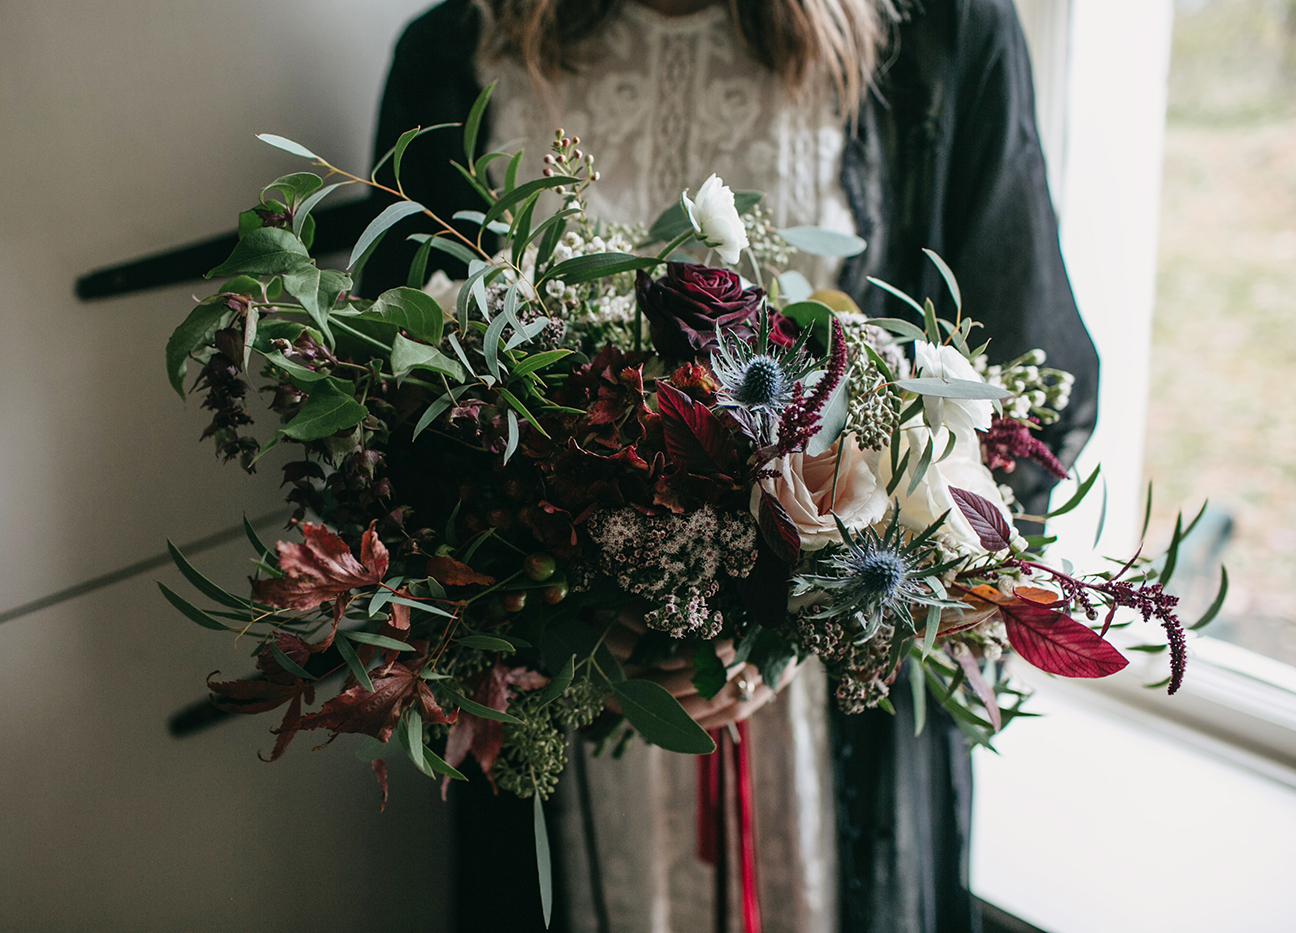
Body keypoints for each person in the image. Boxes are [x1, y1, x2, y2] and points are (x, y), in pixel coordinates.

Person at [362, 1, 1100, 931]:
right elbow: (399, 421)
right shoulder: (452, 54)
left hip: (834, 737)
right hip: (567, 725)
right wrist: (576, 621)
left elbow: (1026, 394)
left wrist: (804, 615)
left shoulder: (942, 38)